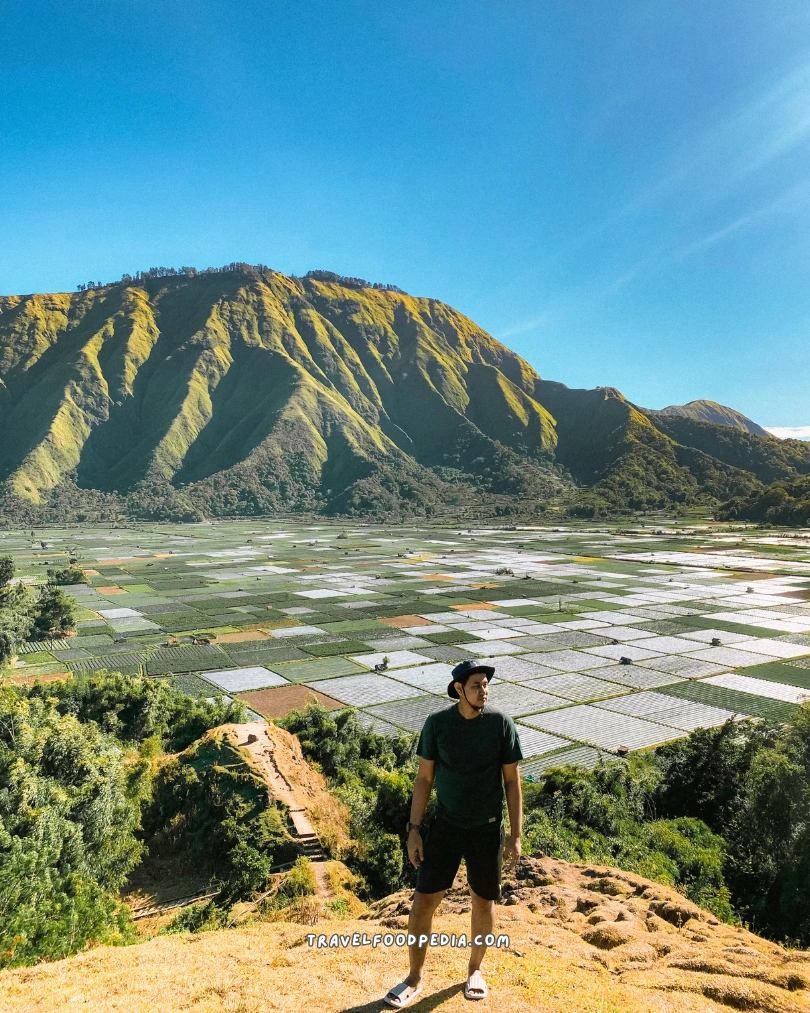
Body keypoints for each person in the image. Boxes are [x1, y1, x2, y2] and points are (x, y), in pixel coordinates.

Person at [383, 660, 524, 1007]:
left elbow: (512, 781)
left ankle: (475, 970)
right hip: (445, 826)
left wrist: (516, 835)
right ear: (459, 689)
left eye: (487, 684)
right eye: (477, 685)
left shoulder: (501, 724)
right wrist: (413, 831)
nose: (484, 690)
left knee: (483, 900)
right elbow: (424, 779)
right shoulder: (437, 724)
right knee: (422, 903)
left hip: (487, 829)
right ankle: (414, 978)